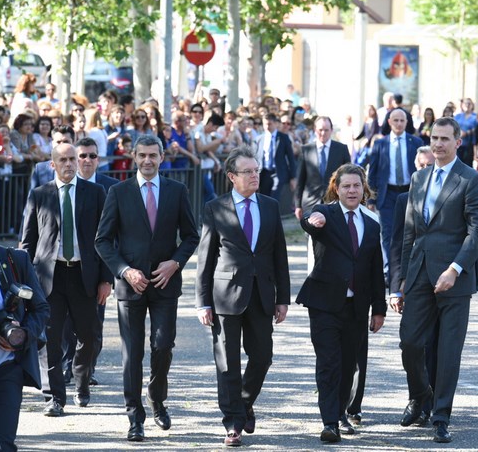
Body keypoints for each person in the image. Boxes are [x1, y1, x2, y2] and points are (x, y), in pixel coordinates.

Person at [95, 135, 199, 442]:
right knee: (132, 354)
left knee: (163, 345)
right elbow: (102, 240)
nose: (148, 160)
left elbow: (191, 236)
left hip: (165, 284)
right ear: (134, 156)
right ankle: (134, 416)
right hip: (131, 287)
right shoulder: (118, 191)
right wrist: (125, 271)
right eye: (142, 155)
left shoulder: (177, 191)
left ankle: (157, 396)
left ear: (162, 157)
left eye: (153, 155)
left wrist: (175, 263)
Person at [398, 117, 478, 443]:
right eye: (434, 138)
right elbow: (410, 232)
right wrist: (402, 280)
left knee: (448, 353)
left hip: (455, 279)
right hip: (420, 274)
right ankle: (421, 395)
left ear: (457, 141)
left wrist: (456, 268)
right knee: (409, 342)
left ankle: (440, 417)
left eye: (444, 139)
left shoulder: (471, 179)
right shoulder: (419, 177)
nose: (438, 144)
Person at [196, 146, 290, 447]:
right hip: (225, 296)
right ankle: (233, 422)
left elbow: (279, 255)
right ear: (231, 177)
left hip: (262, 293)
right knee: (228, 363)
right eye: (248, 171)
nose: (254, 176)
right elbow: (205, 259)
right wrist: (203, 302)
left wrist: (283, 298)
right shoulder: (215, 207)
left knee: (262, 356)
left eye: (257, 170)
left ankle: (245, 402)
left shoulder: (270, 206)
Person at [297, 163, 386, 443]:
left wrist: (379, 309)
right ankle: (329, 422)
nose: (351, 190)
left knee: (349, 365)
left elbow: (375, 270)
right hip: (324, 303)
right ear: (337, 188)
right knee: (329, 362)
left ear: (364, 189)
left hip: (356, 308)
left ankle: (340, 413)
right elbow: (309, 220)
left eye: (356, 186)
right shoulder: (325, 213)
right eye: (346, 186)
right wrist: (312, 221)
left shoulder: (371, 225)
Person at [21, 143, 110, 416]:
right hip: (50, 277)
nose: (70, 164)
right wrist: (27, 283)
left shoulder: (96, 193)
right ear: (53, 164)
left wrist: (106, 280)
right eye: (64, 159)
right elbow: (27, 243)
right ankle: (54, 398)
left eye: (73, 158)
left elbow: (107, 239)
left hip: (85, 276)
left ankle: (82, 383)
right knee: (50, 338)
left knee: (89, 336)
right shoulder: (39, 194)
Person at [61, 138, 119, 386]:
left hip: (93, 271)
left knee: (93, 325)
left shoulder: (110, 188)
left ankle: (87, 369)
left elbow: (111, 237)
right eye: (81, 155)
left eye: (91, 156)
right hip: (63, 269)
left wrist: (108, 278)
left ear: (98, 159)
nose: (86, 161)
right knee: (64, 324)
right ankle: (66, 367)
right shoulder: (55, 188)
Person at [0, 220, 49, 452]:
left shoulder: (14, 260)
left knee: (2, 446)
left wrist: (23, 334)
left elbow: (41, 309)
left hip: (7, 371)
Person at [387, 146, 434, 425]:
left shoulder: (453, 193)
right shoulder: (404, 198)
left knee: (436, 346)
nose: (426, 170)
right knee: (411, 344)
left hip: (443, 281)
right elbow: (396, 244)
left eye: (431, 166)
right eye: (422, 166)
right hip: (413, 281)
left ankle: (433, 405)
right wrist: (396, 287)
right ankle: (418, 394)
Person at [368, 108, 423, 270]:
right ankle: (389, 268)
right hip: (387, 195)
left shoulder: (416, 143)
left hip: (410, 193)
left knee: (410, 231)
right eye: (395, 120)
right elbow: (373, 172)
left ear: (407, 122)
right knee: (388, 233)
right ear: (389, 122)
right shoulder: (380, 144)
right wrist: (371, 198)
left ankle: (406, 267)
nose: (399, 124)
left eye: (402, 120)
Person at [295, 117, 351, 221]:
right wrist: (297, 205)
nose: (323, 133)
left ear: (331, 130)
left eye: (326, 130)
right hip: (310, 202)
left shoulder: (341, 149)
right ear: (315, 130)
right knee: (311, 234)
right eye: (320, 130)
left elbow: (349, 177)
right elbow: (300, 180)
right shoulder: (306, 150)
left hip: (334, 201)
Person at [255, 114, 297, 200]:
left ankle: (272, 212)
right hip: (264, 173)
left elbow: (290, 158)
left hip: (278, 173)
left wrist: (293, 177)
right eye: (265, 124)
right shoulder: (259, 139)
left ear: (275, 124)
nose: (267, 126)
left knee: (274, 197)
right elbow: (256, 157)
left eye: (269, 124)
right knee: (263, 198)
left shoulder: (283, 138)